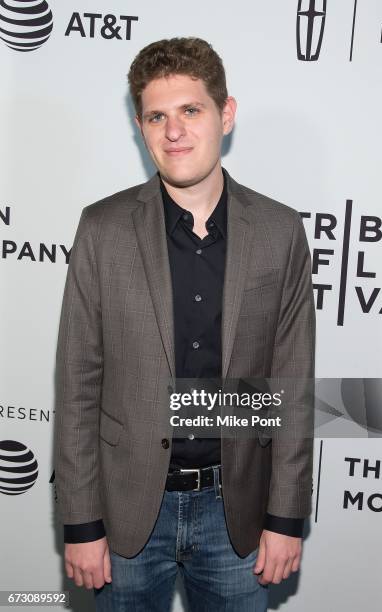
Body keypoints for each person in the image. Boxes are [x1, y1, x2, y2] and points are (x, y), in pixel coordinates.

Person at [54, 37, 315, 611]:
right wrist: (80, 524)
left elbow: (291, 388)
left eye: (190, 110)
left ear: (226, 114)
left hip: (237, 517)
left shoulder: (279, 232)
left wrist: (287, 516)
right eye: (156, 116)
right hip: (125, 519)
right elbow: (77, 387)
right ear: (141, 127)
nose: (173, 131)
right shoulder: (102, 229)